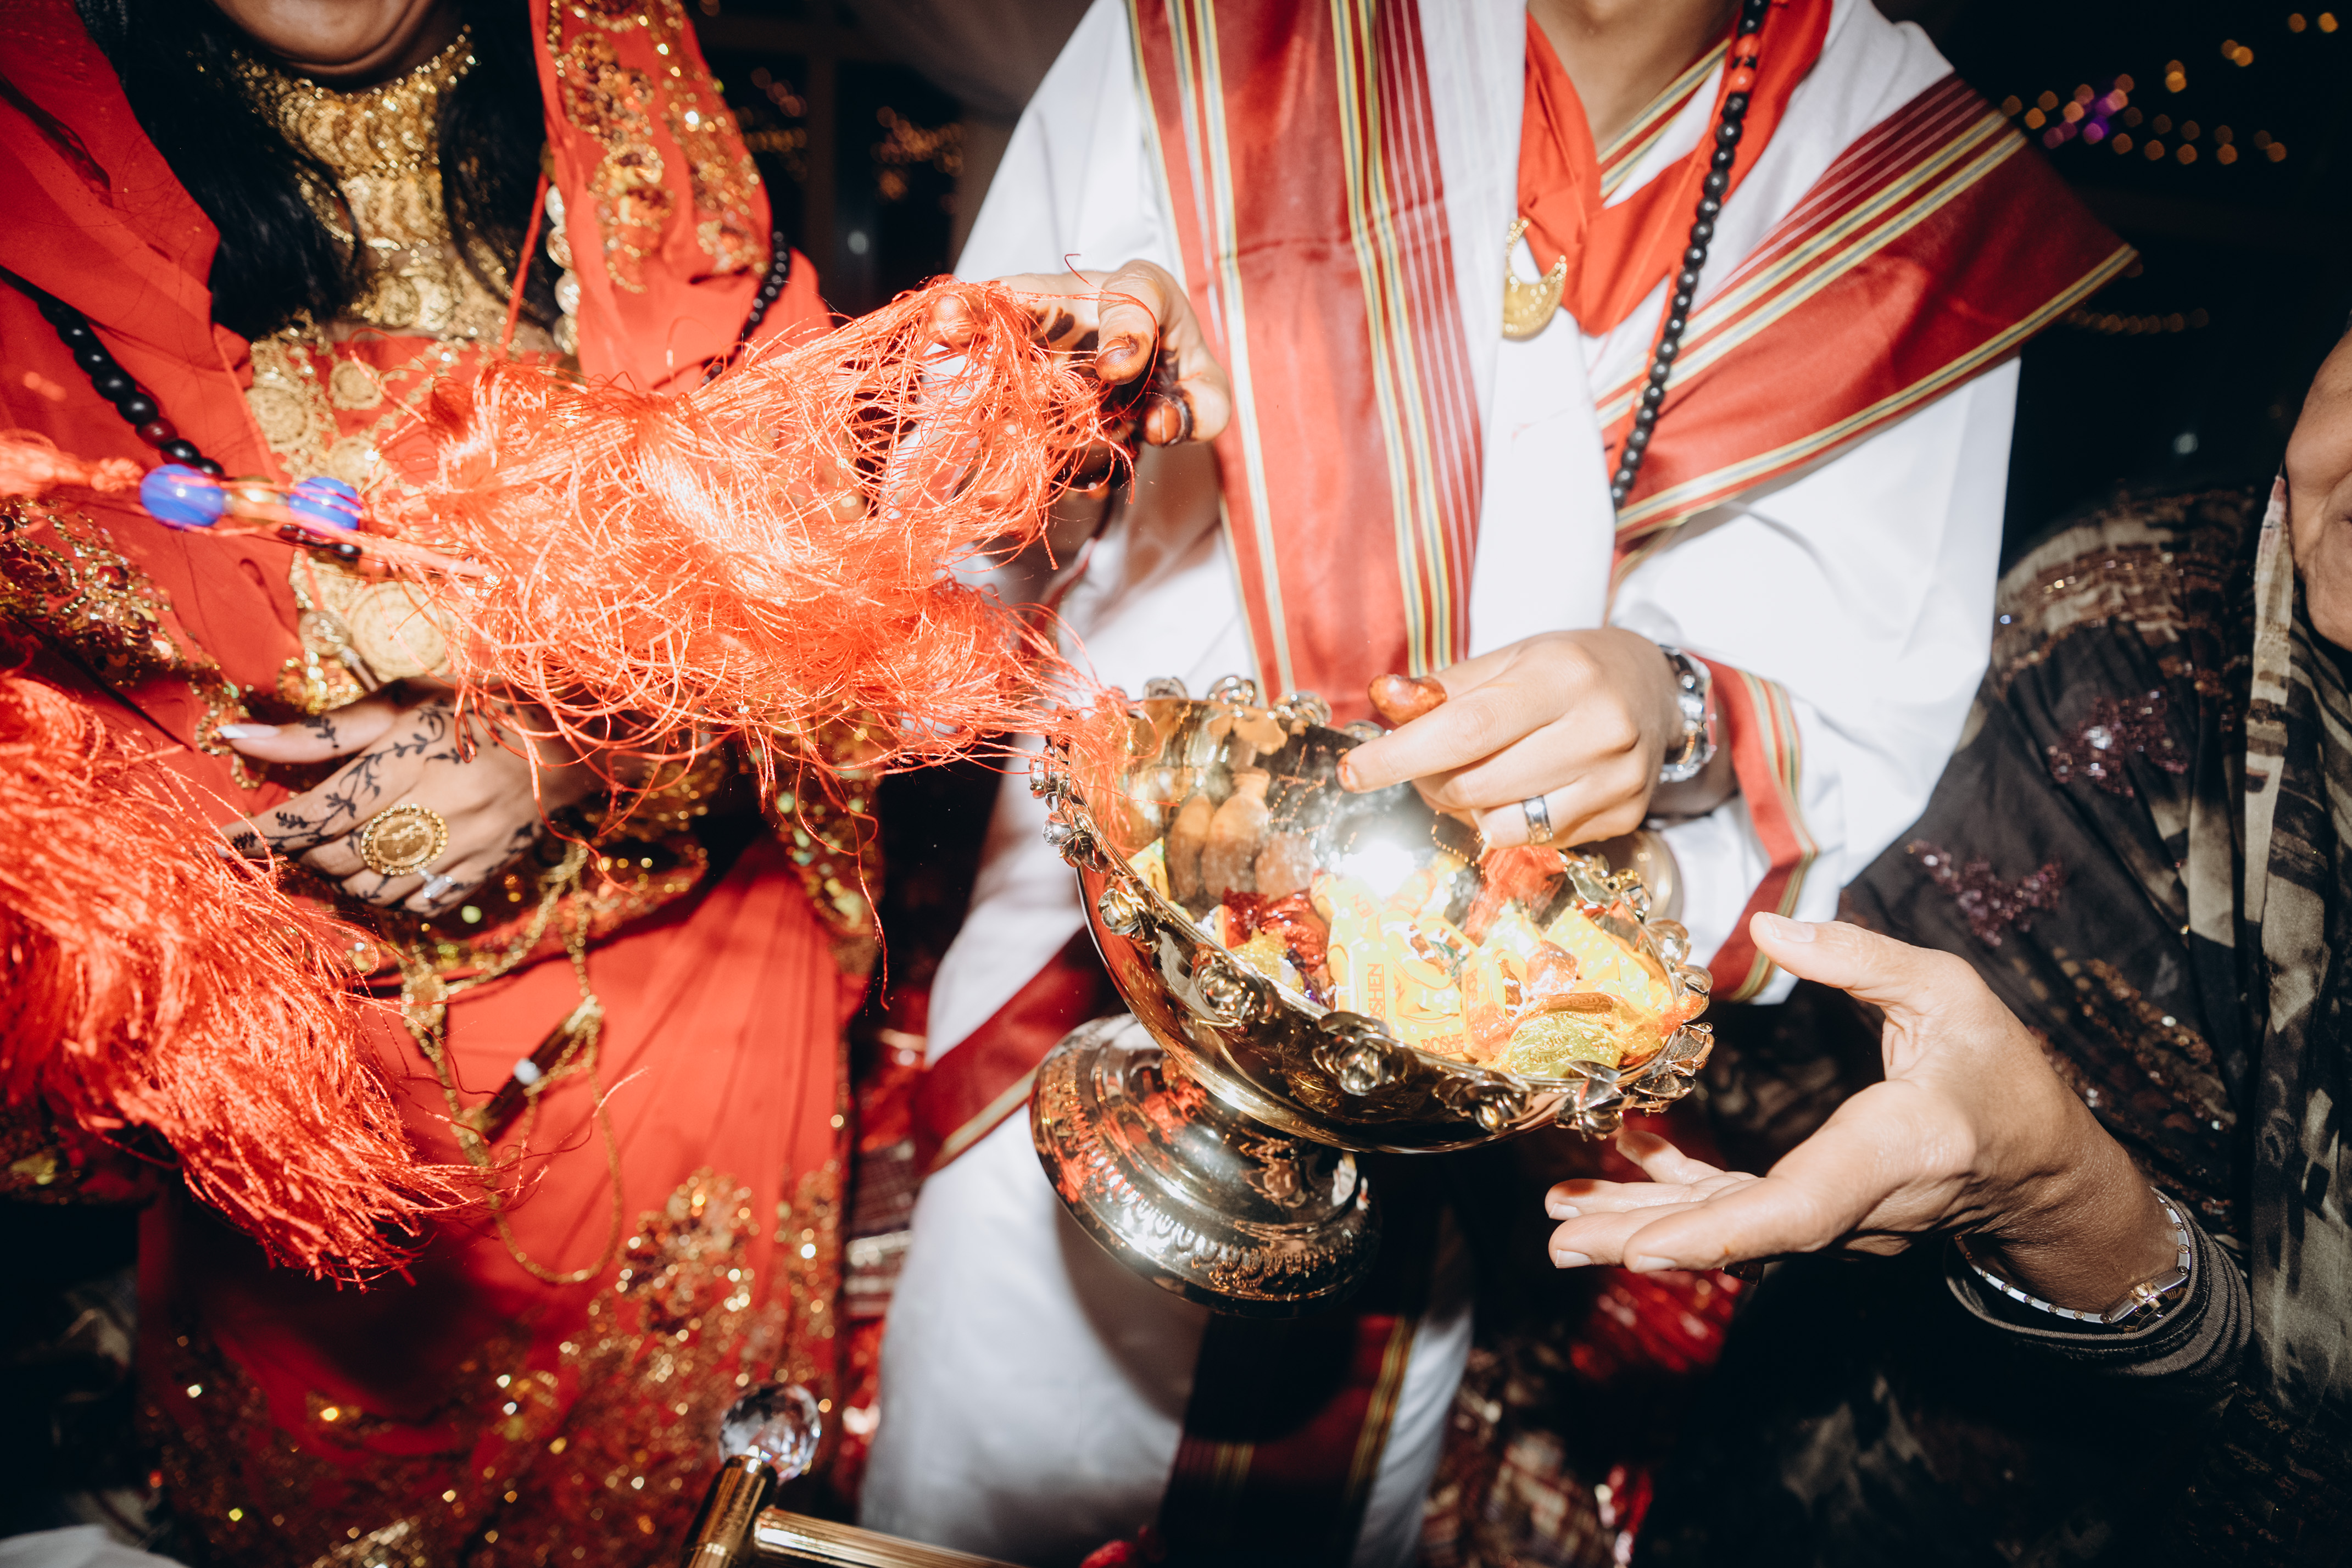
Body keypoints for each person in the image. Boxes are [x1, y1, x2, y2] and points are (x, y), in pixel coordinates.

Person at [859, 0, 2128, 1562]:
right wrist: (1054, 417)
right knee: (968, 1485)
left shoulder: (1888, 176)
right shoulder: (1233, 38)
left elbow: (1855, 717)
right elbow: (941, 540)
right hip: (1095, 979)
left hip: (1446, 1086)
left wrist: (1669, 707)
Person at [0, 2, 859, 1561]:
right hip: (303, 1113)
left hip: (682, 1035)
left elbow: (843, 634)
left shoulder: (653, 184)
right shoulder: (41, 219)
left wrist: (572, 746)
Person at [1537, 333, 2352, 1564]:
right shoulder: (2128, 626)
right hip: (1823, 1463)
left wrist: (2061, 1203)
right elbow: (1819, 997)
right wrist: (1666, 771)